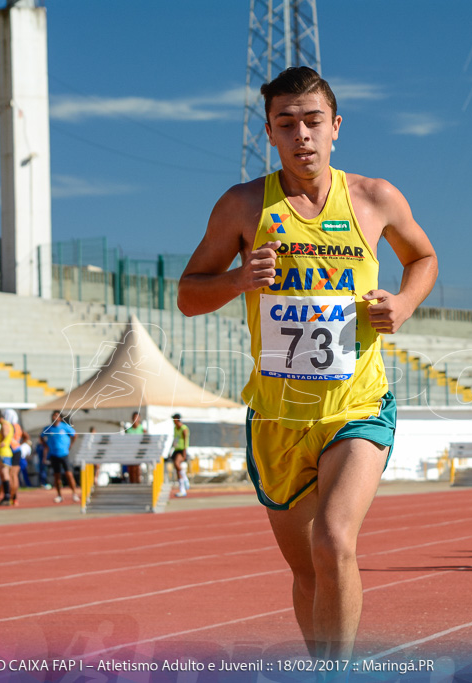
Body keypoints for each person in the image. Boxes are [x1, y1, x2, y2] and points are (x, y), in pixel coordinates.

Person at [177, 66, 437, 664]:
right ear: (269, 132)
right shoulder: (243, 205)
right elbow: (189, 295)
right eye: (286, 123)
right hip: (277, 415)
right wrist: (241, 278)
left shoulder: (375, 197)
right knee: (308, 571)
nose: (302, 135)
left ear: (336, 127)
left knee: (333, 539)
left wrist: (403, 302)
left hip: (357, 402)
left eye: (313, 121)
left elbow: (422, 257)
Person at [41, 411, 80, 504]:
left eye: (56, 416)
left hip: (64, 454)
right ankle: (59, 495)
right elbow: (41, 437)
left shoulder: (64, 427)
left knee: (68, 474)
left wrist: (70, 445)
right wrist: (46, 446)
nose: (54, 417)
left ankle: (74, 493)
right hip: (54, 455)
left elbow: (74, 435)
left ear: (59, 418)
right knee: (56, 476)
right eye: (53, 415)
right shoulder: (48, 428)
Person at [171, 414, 191, 498]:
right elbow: (175, 439)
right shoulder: (175, 428)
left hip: (182, 450)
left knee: (177, 463)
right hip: (176, 449)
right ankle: (182, 490)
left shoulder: (184, 428)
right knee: (177, 470)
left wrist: (185, 452)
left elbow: (186, 440)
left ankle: (185, 478)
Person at [124, 411, 145, 484]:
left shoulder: (142, 429)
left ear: (139, 418)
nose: (136, 419)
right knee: (131, 469)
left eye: (137, 417)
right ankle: (132, 484)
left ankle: (138, 484)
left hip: (138, 451)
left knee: (137, 469)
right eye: (134, 417)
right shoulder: (128, 430)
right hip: (131, 451)